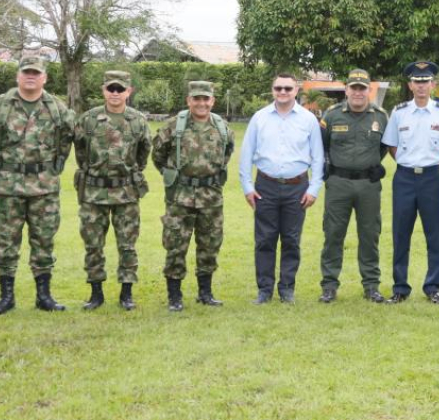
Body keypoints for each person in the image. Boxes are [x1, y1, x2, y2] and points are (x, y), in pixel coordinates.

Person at [0, 54, 76, 316]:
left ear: (44, 77)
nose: (30, 76)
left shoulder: (57, 108)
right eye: (26, 72)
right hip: (8, 186)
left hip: (44, 186)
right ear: (18, 76)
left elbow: (66, 140)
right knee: (7, 241)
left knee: (44, 240)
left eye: (36, 73)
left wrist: (53, 167)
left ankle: (44, 296)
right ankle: (6, 297)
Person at [239, 72, 324, 305]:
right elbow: (246, 154)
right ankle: (264, 290)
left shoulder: (308, 120)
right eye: (278, 88)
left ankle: (287, 288)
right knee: (264, 239)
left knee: (291, 239)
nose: (283, 92)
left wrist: (314, 188)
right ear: (272, 90)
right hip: (265, 185)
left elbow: (318, 157)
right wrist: (247, 186)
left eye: (288, 88)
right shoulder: (259, 118)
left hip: (297, 187)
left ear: (296, 91)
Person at [72, 70, 151, 311]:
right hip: (94, 193)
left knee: (127, 244)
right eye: (111, 89)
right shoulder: (88, 119)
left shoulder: (138, 120)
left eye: (120, 89)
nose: (115, 93)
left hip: (126, 192)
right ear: (103, 90)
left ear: (129, 91)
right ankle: (96, 294)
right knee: (93, 244)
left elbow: (143, 152)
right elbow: (80, 151)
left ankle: (126, 294)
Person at [153, 81, 235, 311]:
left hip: (211, 197)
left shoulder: (222, 127)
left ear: (212, 101)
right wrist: (175, 177)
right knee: (176, 245)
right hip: (180, 196)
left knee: (210, 244)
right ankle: (174, 296)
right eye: (196, 99)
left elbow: (227, 152)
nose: (201, 103)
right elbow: (158, 155)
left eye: (205, 99)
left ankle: (205, 293)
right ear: (188, 100)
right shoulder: (174, 126)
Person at [381, 61, 439, 304]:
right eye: (417, 82)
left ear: (433, 84)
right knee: (401, 234)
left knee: (434, 234)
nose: (422, 86)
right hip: (404, 178)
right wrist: (407, 163)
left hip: (432, 178)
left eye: (426, 82)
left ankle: (433, 287)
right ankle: (400, 288)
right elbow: (391, 146)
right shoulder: (399, 112)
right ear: (410, 85)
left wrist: (432, 165)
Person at [319, 69, 390, 303]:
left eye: (362, 88)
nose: (358, 92)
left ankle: (371, 286)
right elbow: (322, 146)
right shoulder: (331, 116)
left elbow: (384, 148)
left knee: (370, 235)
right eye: (354, 87)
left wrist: (369, 165)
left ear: (369, 90)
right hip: (338, 183)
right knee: (333, 234)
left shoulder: (380, 117)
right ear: (346, 90)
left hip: (368, 185)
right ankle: (329, 286)